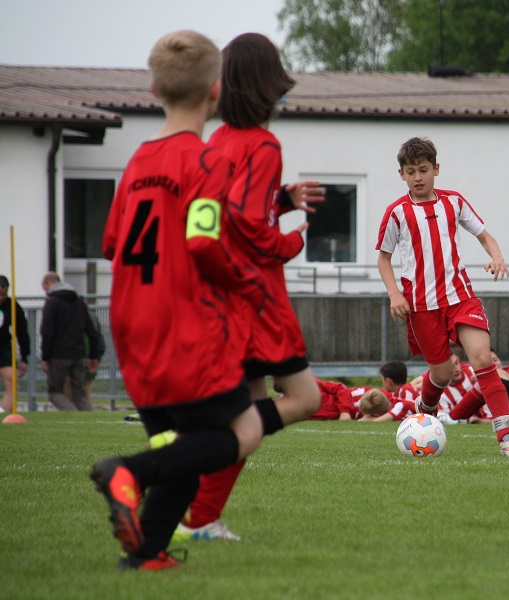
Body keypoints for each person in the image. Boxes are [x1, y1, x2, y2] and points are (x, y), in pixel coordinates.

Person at [91, 30, 267, 570]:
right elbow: (202, 241)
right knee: (246, 430)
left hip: (130, 320)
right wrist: (245, 282)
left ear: (153, 89)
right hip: (182, 321)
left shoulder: (137, 163)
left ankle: (145, 555)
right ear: (216, 91)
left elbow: (111, 243)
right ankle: (128, 471)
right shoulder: (206, 162)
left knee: (186, 449)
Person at [175, 32, 326, 541]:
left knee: (249, 411)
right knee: (303, 399)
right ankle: (187, 460)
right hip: (257, 296)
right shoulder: (264, 145)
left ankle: (201, 518)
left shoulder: (217, 140)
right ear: (268, 86)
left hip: (222, 294)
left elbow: (225, 211)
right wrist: (291, 242)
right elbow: (246, 223)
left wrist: (280, 200)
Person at [375, 136, 509, 456]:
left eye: (423, 170)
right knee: (442, 374)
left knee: (482, 359)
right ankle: (425, 410)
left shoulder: (454, 202)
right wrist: (394, 294)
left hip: (460, 298)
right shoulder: (397, 212)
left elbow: (484, 235)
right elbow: (383, 258)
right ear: (401, 174)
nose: (418, 177)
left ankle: (507, 437)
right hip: (421, 307)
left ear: (436, 169)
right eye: (411, 172)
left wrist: (497, 256)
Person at [39, 272, 103, 411]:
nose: (46, 292)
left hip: (58, 355)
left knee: (55, 392)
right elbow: (91, 331)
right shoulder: (78, 302)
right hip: (78, 355)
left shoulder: (52, 303)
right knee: (80, 394)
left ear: (49, 284)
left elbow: (46, 332)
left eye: (45, 288)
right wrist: (93, 356)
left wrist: (45, 357)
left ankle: (70, 412)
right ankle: (90, 418)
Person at [0, 275, 30, 413]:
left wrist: (24, 357)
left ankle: (3, 412)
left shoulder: (13, 307)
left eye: (3, 295)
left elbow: (22, 333)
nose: (1, 298)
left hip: (4, 350)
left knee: (11, 381)